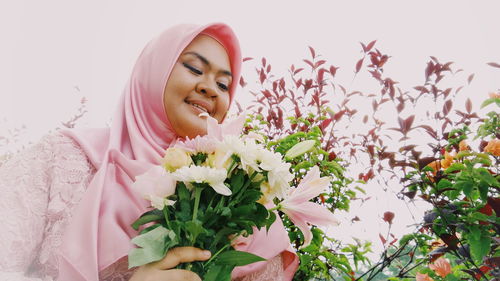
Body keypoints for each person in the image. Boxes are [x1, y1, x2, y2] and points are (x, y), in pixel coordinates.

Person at [0, 23, 298, 281]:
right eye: (194, 68)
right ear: (153, 72)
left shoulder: (244, 201)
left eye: (223, 85)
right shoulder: (63, 159)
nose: (210, 88)